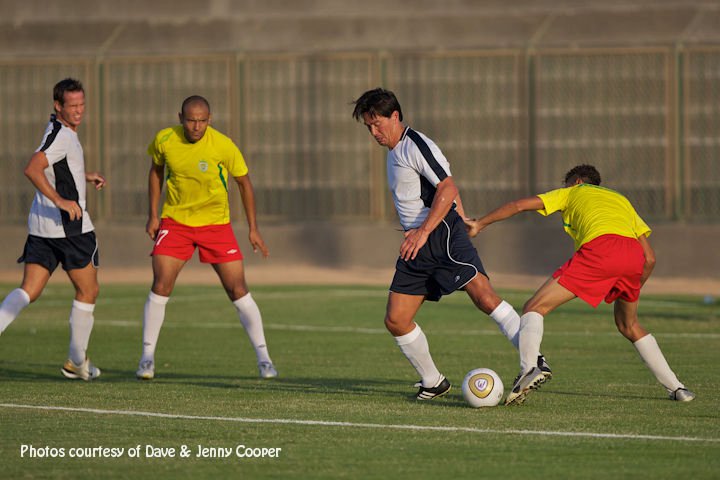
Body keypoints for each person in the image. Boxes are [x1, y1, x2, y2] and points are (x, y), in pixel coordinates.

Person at [352, 88, 550, 400]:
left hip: (438, 233)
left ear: (395, 116)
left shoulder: (415, 144)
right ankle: (433, 381)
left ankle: (534, 361)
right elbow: (442, 187)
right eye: (368, 127)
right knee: (397, 319)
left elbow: (447, 185)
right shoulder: (396, 151)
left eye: (377, 124)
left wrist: (426, 229)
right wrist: (443, 221)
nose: (374, 133)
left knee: (483, 297)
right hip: (418, 242)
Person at [464, 164, 696, 405]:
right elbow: (650, 258)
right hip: (633, 259)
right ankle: (678, 388)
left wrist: (481, 223)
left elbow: (518, 206)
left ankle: (530, 368)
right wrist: (632, 286)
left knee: (534, 307)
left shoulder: (573, 192)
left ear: (576, 181)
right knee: (630, 325)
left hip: (601, 251)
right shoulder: (620, 199)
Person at [136, 95, 277, 380]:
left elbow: (244, 183)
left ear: (209, 120)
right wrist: (153, 214)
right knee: (161, 284)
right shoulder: (165, 140)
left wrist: (253, 228)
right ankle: (147, 358)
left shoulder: (223, 145)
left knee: (238, 289)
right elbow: (156, 172)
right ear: (180, 118)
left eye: (202, 120)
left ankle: (264, 358)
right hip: (176, 223)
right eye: (191, 120)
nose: (196, 126)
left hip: (215, 225)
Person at [0, 78, 106, 381]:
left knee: (28, 291)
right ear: (57, 106)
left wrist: (83, 175)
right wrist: (62, 200)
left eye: (82, 104)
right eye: (72, 106)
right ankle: (76, 362)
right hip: (70, 229)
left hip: (41, 226)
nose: (79, 110)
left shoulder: (56, 130)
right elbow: (32, 168)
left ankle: (77, 362)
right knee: (88, 290)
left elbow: (54, 165)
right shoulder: (62, 136)